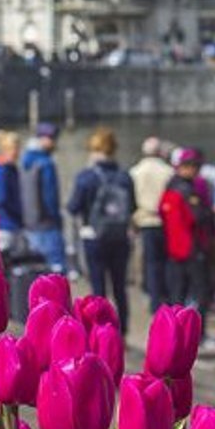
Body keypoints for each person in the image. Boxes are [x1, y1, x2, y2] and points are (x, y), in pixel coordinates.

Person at [66, 127, 136, 331]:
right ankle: (122, 331)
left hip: (94, 237)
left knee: (98, 286)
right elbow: (132, 207)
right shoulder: (125, 176)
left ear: (93, 150)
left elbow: (73, 207)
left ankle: (101, 330)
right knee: (120, 287)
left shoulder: (86, 176)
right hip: (120, 237)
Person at [158, 147, 215, 315]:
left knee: (177, 294)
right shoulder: (188, 190)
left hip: (174, 249)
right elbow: (198, 218)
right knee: (201, 292)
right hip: (192, 249)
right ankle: (199, 333)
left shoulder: (170, 188)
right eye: (194, 166)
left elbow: (161, 214)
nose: (196, 170)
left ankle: (176, 329)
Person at [129, 136, 173, 316]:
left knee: (150, 264)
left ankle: (154, 302)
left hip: (145, 221)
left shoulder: (135, 172)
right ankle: (167, 298)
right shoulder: (168, 171)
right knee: (167, 263)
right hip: (165, 221)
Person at [19, 122, 68, 278]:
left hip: (29, 223)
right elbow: (49, 196)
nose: (55, 142)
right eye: (52, 138)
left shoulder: (25, 160)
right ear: (43, 139)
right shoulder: (46, 163)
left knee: (38, 272)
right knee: (57, 271)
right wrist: (57, 220)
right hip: (47, 224)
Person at [0, 129, 26, 253]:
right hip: (6, 224)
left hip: (11, 223)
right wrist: (18, 212)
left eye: (17, 149)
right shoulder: (3, 171)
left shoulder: (10, 169)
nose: (16, 153)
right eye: (13, 149)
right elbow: (1, 198)